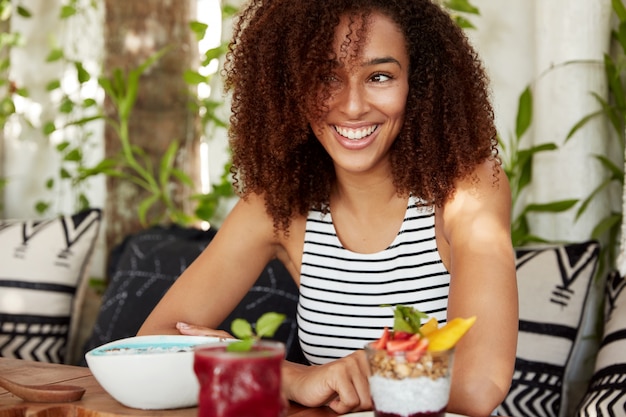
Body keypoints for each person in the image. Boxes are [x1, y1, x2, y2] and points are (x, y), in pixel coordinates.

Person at [138, 0, 518, 415]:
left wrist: (268, 369)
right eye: (325, 77)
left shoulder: (465, 187)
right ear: (290, 87)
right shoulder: (278, 205)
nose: (352, 106)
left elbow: (478, 386)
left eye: (379, 76)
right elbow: (153, 341)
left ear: (419, 83)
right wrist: (297, 377)